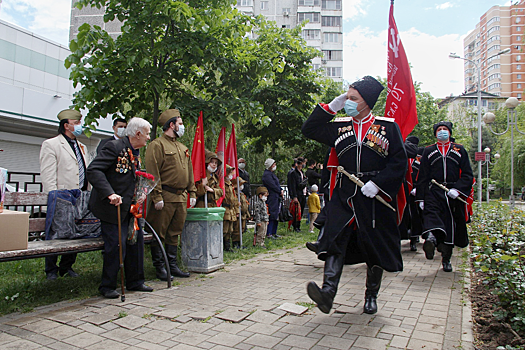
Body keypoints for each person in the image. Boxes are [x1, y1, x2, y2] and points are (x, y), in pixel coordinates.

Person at [302, 76, 407, 315]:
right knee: (335, 239)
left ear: (366, 102)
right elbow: (309, 129)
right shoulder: (340, 126)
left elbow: (399, 162)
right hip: (345, 193)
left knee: (374, 245)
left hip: (373, 196)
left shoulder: (387, 127)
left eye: (353, 98)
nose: (348, 102)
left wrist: (378, 184)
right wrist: (331, 107)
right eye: (347, 98)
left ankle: (371, 295)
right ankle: (327, 293)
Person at [87, 117, 153, 299]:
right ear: (138, 133)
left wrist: (141, 192)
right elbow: (94, 170)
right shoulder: (114, 147)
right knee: (116, 245)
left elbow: (132, 176)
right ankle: (107, 286)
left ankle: (136, 281)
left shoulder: (136, 152)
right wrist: (109, 193)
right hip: (112, 208)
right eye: (147, 134)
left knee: (135, 242)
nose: (148, 138)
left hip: (130, 208)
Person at [145, 109, 197, 280]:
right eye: (180, 123)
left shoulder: (182, 147)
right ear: (171, 124)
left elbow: (189, 172)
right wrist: (156, 196)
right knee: (159, 232)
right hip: (165, 196)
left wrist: (192, 191)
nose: (182, 127)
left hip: (181, 197)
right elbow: (153, 173)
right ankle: (160, 267)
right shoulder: (157, 145)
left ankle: (172, 265)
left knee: (175, 232)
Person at [416, 121, 473, 273]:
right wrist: (420, 197)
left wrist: (458, 189)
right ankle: (431, 239)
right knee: (431, 216)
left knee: (450, 226)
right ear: (435, 134)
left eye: (445, 129)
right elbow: (423, 176)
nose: (442, 132)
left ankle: (446, 258)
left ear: (450, 132)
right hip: (434, 190)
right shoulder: (429, 151)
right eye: (439, 130)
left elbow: (468, 174)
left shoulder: (459, 150)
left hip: (452, 193)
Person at [39, 109, 88, 280]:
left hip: (79, 196)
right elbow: (48, 174)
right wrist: (53, 195)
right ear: (66, 125)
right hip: (60, 196)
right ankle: (51, 270)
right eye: (76, 123)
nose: (80, 126)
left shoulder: (82, 146)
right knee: (55, 233)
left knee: (75, 231)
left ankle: (66, 267)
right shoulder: (51, 144)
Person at [262, 158, 282, 239]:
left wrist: (281, 190)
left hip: (276, 196)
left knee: (276, 214)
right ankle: (269, 233)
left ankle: (274, 232)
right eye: (273, 164)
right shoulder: (267, 175)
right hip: (272, 197)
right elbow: (273, 185)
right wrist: (279, 191)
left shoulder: (271, 174)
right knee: (272, 214)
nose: (275, 166)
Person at [287, 157, 307, 232]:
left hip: (303, 193)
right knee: (296, 211)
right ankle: (295, 226)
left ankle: (298, 225)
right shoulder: (293, 173)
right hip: (298, 194)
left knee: (301, 211)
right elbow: (292, 185)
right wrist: (294, 196)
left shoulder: (302, 173)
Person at [222, 165, 239, 251]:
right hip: (226, 208)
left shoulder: (230, 184)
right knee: (224, 230)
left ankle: (227, 247)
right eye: (230, 173)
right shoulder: (222, 183)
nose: (231, 174)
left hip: (231, 210)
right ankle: (222, 247)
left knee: (230, 230)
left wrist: (237, 210)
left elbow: (234, 198)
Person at [231, 176, 249, 249]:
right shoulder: (234, 193)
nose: (242, 186)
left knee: (242, 229)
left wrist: (248, 214)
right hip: (238, 214)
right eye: (241, 184)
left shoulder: (241, 193)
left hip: (243, 214)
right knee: (236, 229)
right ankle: (235, 243)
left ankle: (240, 243)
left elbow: (245, 204)